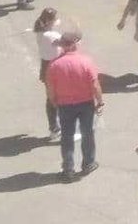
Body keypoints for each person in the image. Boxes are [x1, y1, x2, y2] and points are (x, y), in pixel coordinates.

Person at [45, 27, 103, 182]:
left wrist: (54, 102)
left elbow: (50, 89)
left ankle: (68, 170)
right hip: (85, 104)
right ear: (74, 45)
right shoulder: (86, 62)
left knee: (67, 137)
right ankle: (88, 163)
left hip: (65, 105)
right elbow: (95, 85)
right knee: (87, 133)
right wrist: (100, 102)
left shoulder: (54, 65)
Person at [33, 7, 62, 138]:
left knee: (51, 98)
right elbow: (68, 43)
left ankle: (53, 128)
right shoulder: (52, 36)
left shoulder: (40, 32)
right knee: (60, 97)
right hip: (56, 67)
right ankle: (62, 126)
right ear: (50, 21)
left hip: (45, 67)